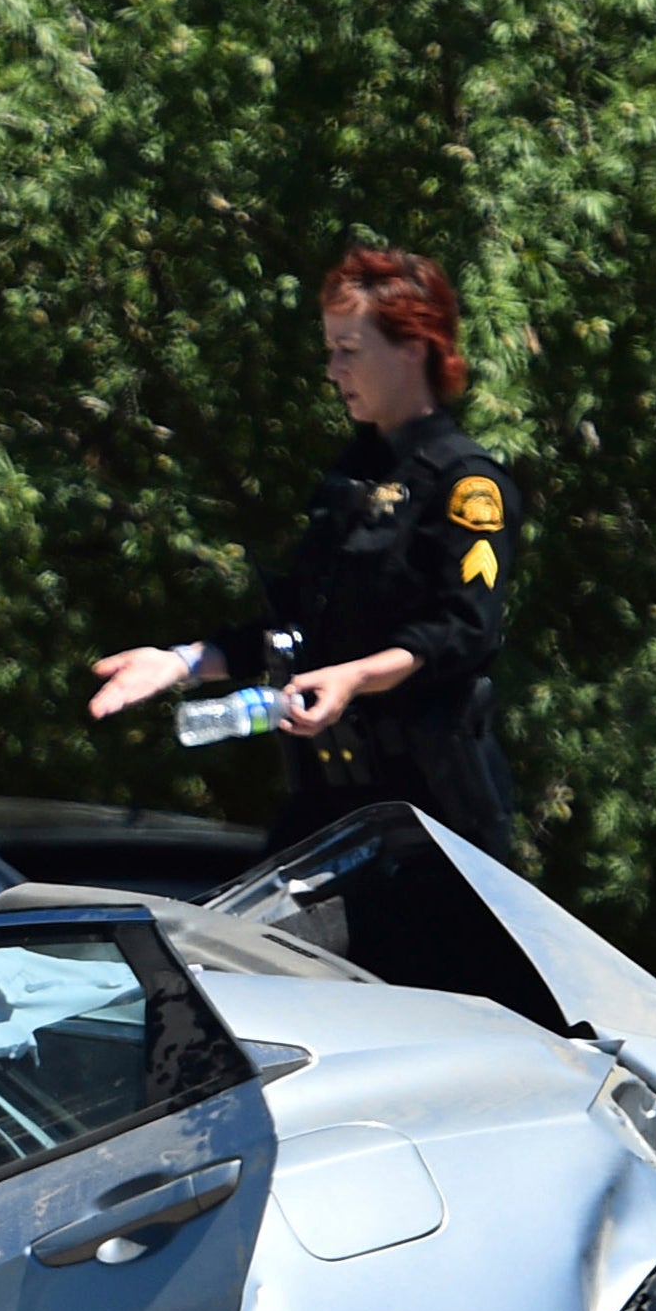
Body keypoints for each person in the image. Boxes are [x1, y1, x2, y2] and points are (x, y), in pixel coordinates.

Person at [91, 245, 522, 859]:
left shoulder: (467, 486)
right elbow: (292, 626)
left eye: (349, 351)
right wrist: (182, 663)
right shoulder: (351, 480)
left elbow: (463, 631)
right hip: (330, 801)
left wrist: (354, 678)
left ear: (414, 348)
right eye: (330, 350)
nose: (332, 369)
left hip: (432, 819)